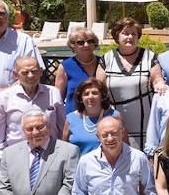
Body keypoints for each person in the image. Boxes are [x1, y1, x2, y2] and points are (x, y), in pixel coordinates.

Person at [102, 17, 156, 149]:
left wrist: (159, 84)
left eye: (134, 34)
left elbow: (157, 79)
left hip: (145, 124)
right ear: (117, 36)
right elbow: (98, 87)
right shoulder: (107, 59)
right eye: (125, 33)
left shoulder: (149, 56)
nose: (130, 37)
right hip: (115, 123)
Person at [0, 56, 65, 149]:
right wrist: (2, 155)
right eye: (25, 72)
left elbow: (62, 127)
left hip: (50, 152)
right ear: (15, 74)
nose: (30, 75)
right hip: (17, 153)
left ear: (41, 71)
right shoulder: (4, 97)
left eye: (34, 71)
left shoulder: (53, 92)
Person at [53, 26, 105, 114]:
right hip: (74, 116)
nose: (86, 45)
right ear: (73, 45)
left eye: (90, 41)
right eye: (80, 42)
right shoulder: (66, 66)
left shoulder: (103, 63)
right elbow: (58, 97)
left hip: (100, 115)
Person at [64, 79, 118, 156]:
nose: (90, 97)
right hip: (78, 166)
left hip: (108, 166)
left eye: (95, 93)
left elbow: (125, 146)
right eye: (86, 94)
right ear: (81, 98)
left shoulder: (114, 116)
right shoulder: (71, 119)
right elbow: (64, 149)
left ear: (102, 96)